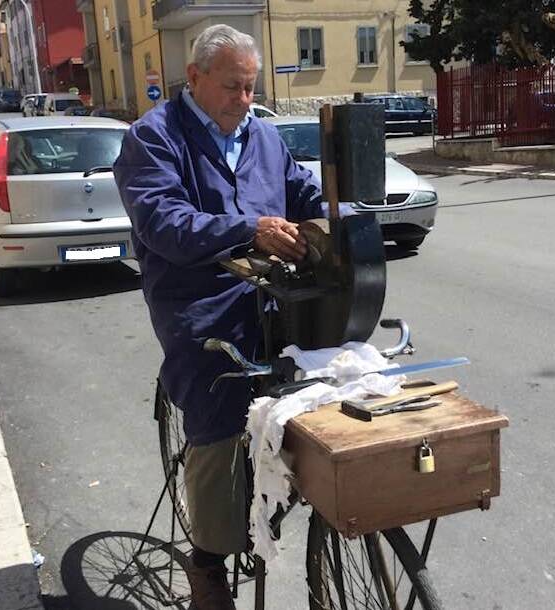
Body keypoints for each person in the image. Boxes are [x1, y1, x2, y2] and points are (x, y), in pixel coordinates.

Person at [115, 24, 326, 609]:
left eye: (251, 87)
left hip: (271, 292)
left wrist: (342, 214)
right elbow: (164, 224)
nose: (245, 100)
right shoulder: (153, 139)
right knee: (220, 404)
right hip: (197, 299)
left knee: (326, 381)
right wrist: (248, 229)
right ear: (195, 78)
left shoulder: (263, 136)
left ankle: (301, 499)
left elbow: (302, 193)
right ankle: (206, 562)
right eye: (233, 87)